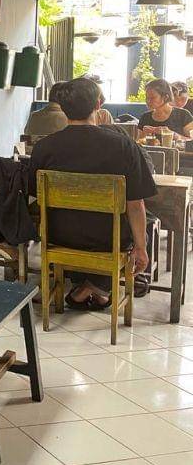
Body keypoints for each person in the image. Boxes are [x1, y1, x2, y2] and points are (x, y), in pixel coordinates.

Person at [30, 78, 154, 309]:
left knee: (84, 223)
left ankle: (91, 288)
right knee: (144, 221)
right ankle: (96, 287)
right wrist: (141, 248)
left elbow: (34, 194)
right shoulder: (124, 146)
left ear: (62, 107)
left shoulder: (43, 147)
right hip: (108, 239)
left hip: (58, 235)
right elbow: (136, 205)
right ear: (98, 104)